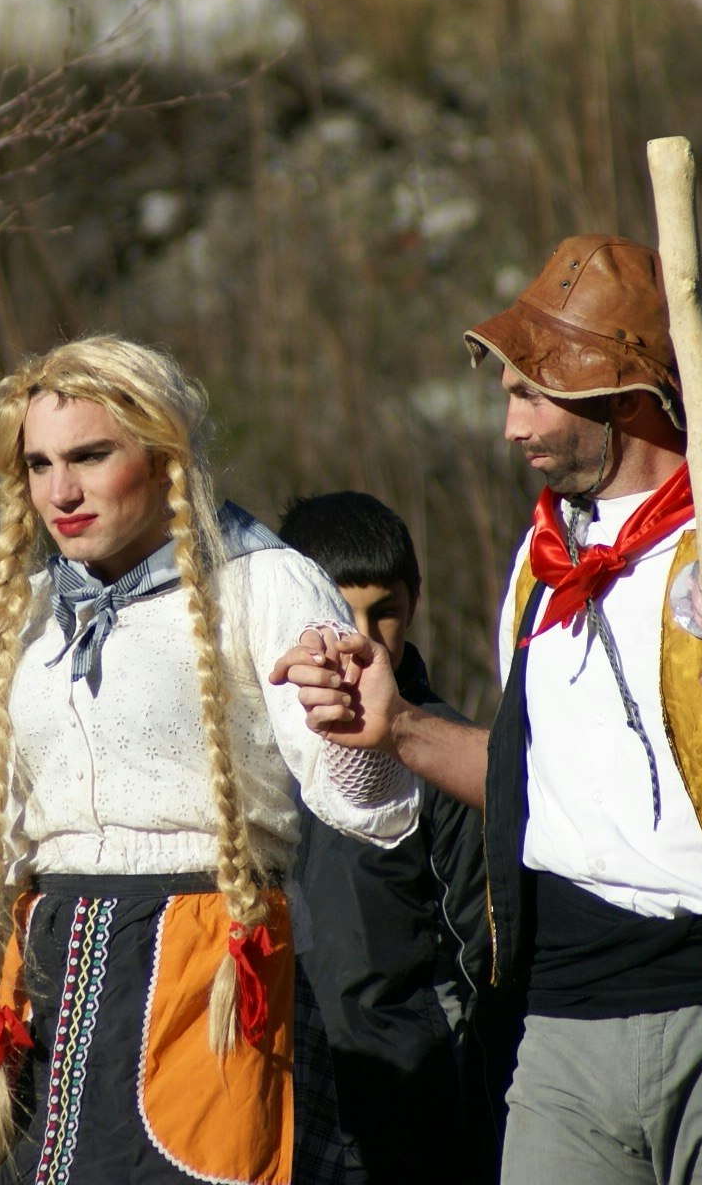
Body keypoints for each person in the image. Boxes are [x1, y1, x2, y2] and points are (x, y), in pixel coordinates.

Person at [272, 234, 702, 1185]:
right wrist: (397, 728)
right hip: (562, 1023)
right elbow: (540, 793)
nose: (512, 429)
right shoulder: (539, 566)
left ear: (625, 395)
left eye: (534, 395)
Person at [0, 336, 419, 1185]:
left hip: (205, 981)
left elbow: (364, 805)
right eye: (39, 464)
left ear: (165, 455)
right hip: (44, 986)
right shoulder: (24, 612)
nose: (59, 491)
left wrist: (351, 714)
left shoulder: (267, 583)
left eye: (91, 456)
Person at [276, 491, 507, 1184]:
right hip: (277, 1098)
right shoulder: (251, 751)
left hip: (411, 1109)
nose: (365, 639)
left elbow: (485, 960)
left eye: (386, 612)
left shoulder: (445, 756)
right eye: (341, 614)